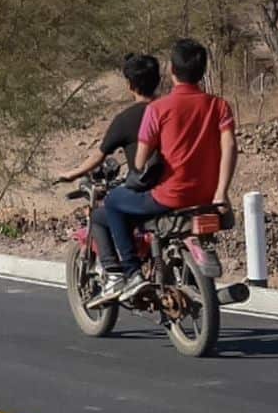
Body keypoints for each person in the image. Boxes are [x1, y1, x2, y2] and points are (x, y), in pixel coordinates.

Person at [98, 38, 238, 302]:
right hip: (209, 197)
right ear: (203, 71)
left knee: (115, 201)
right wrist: (222, 192)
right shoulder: (219, 106)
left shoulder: (157, 109)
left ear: (172, 71)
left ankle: (131, 273)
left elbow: (139, 163)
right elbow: (229, 145)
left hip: (170, 196)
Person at [54, 53, 163, 273]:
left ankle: (119, 271)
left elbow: (99, 155)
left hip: (147, 194)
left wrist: (72, 173)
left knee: (101, 214)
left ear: (130, 85)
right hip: (176, 187)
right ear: (158, 80)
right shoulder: (169, 111)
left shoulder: (126, 119)